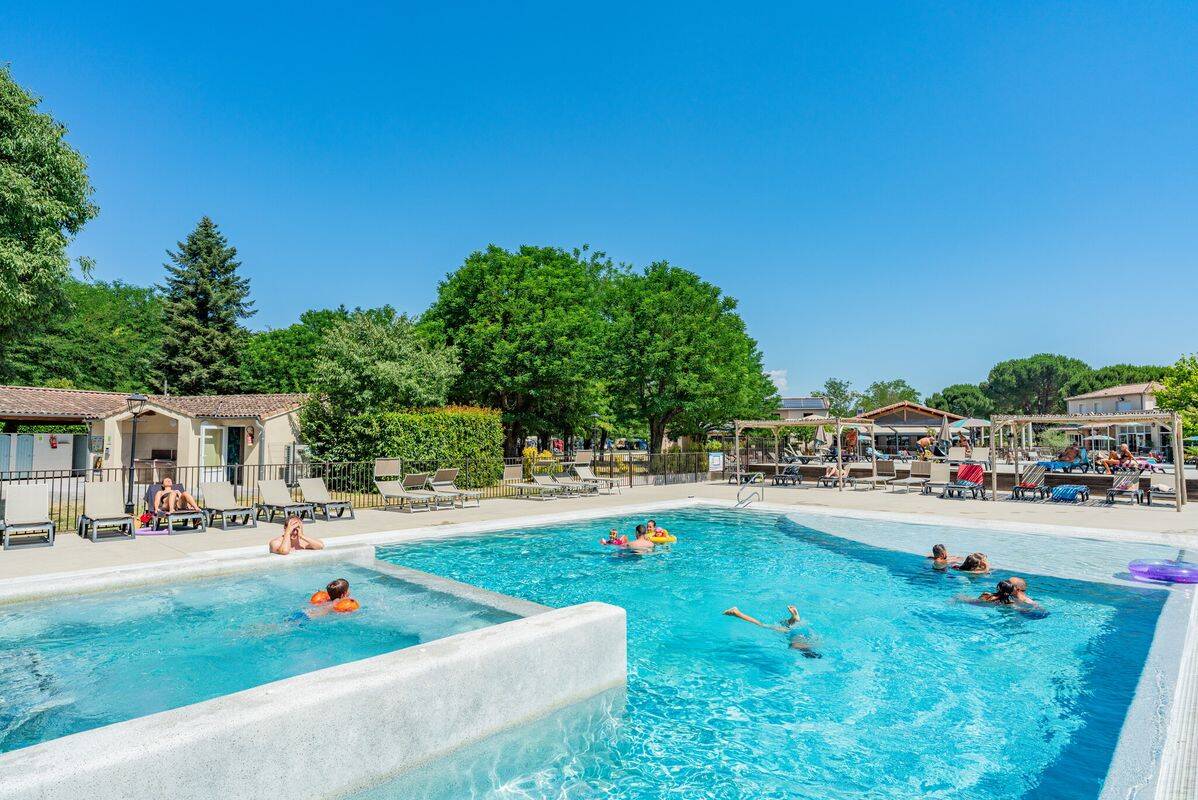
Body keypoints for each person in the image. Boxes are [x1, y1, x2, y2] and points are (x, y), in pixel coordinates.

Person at [722, 604, 822, 658]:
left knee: (789, 625)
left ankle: (795, 619)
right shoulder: (797, 647)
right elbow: (793, 645)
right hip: (787, 632)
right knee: (761, 625)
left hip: (802, 631)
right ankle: (737, 613)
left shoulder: (814, 645)